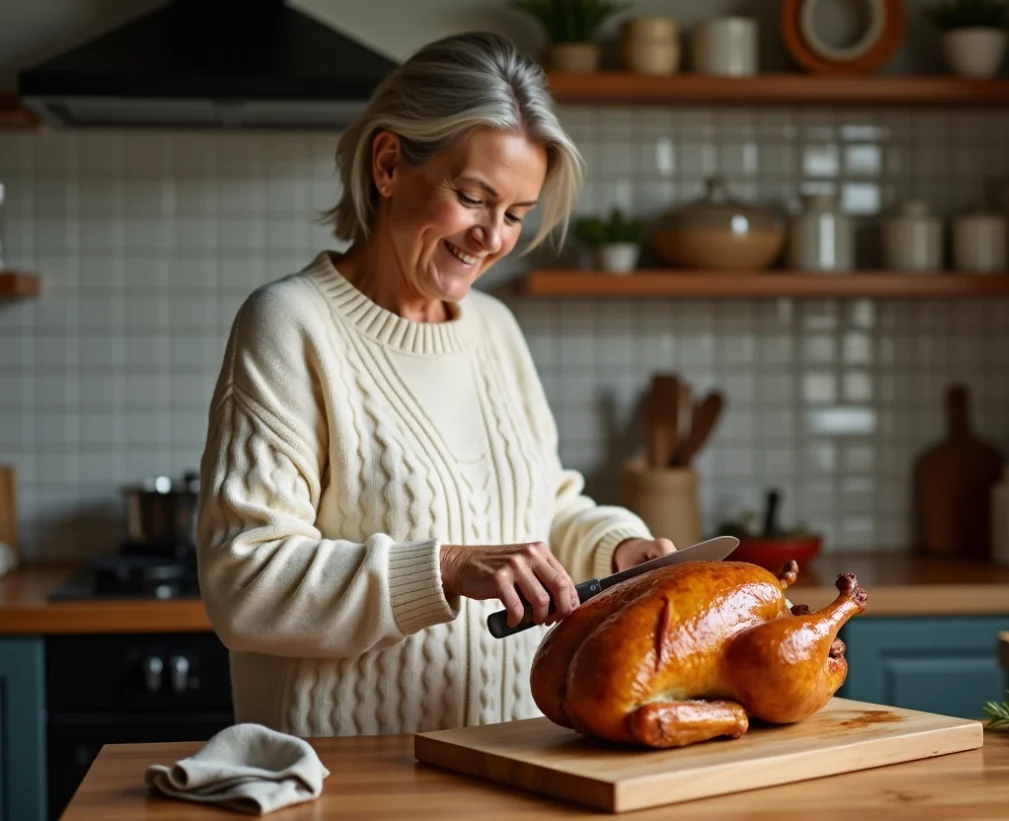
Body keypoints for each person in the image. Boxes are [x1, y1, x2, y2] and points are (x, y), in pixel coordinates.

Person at [195, 31, 676, 738]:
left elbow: (544, 510)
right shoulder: (291, 326)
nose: (492, 237)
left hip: (514, 758)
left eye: (515, 214)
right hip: (351, 778)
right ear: (389, 164)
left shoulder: (496, 330)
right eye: (473, 197)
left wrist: (617, 552)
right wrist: (446, 569)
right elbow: (245, 583)